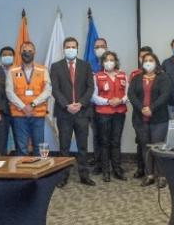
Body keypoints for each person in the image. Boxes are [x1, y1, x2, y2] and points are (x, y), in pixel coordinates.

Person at [51, 37, 95, 187]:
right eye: (68, 47)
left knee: (83, 147)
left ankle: (84, 175)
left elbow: (90, 88)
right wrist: (66, 105)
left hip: (82, 112)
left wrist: (81, 103)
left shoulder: (86, 65)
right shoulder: (56, 66)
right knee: (64, 147)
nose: (70, 49)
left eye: (73, 46)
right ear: (63, 49)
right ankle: (63, 177)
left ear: (77, 48)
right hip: (64, 113)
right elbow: (55, 90)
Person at [128, 52, 171, 187]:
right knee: (145, 147)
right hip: (140, 118)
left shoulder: (163, 77)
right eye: (145, 60)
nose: (148, 62)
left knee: (158, 147)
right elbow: (131, 94)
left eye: (151, 60)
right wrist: (142, 108)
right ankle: (149, 175)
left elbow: (165, 95)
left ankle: (162, 176)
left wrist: (151, 108)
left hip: (159, 118)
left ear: (156, 62)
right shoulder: (136, 78)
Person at [6, 41, 52, 157]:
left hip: (37, 114)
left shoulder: (43, 70)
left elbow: (48, 91)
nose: (27, 53)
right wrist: (23, 107)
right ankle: (23, 175)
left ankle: (39, 174)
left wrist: (31, 105)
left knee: (39, 146)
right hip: (19, 115)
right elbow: (9, 92)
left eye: (30, 51)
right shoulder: (12, 70)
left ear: (34, 52)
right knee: (21, 147)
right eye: (24, 51)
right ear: (20, 53)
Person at [92, 51, 128, 182]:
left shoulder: (123, 75)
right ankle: (106, 171)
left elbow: (128, 94)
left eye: (111, 59)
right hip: (103, 113)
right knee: (104, 142)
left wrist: (121, 100)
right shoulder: (97, 76)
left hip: (119, 113)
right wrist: (108, 101)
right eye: (106, 60)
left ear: (116, 61)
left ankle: (117, 170)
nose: (109, 62)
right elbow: (93, 96)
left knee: (116, 141)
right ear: (102, 62)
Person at [130, 46, 153, 179]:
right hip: (139, 115)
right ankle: (141, 168)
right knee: (141, 142)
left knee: (154, 142)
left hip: (155, 115)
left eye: (148, 57)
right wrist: (142, 108)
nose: (145, 60)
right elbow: (131, 94)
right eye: (142, 57)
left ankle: (153, 170)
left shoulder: (158, 73)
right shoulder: (135, 74)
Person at [90, 37, 109, 174]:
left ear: (106, 48)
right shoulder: (88, 64)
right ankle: (98, 164)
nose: (99, 49)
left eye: (102, 46)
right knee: (97, 135)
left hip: (109, 106)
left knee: (109, 136)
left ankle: (110, 163)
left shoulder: (111, 62)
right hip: (92, 105)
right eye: (97, 47)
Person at [0, 46, 16, 153]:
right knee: (1, 141)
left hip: (17, 110)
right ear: (0, 57)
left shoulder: (19, 70)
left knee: (20, 142)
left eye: (9, 55)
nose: (7, 57)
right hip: (2, 111)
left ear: (14, 57)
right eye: (4, 55)